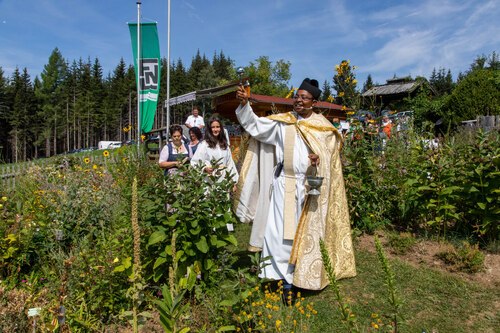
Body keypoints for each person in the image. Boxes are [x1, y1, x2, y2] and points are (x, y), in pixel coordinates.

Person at [234, 78, 356, 292]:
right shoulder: (284, 122)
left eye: (304, 97)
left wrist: (319, 161)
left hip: (309, 187)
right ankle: (276, 275)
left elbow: (330, 158)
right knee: (277, 231)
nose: (298, 100)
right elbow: (256, 126)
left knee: (304, 233)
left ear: (314, 102)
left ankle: (299, 273)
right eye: (296, 96)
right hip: (283, 183)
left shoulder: (324, 129)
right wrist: (245, 105)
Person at [191, 118, 239, 186]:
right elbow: (194, 162)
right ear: (209, 129)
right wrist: (205, 168)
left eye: (218, 127)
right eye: (213, 127)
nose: (216, 129)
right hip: (210, 179)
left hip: (224, 180)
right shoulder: (204, 145)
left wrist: (234, 182)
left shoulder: (224, 145)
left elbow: (230, 163)